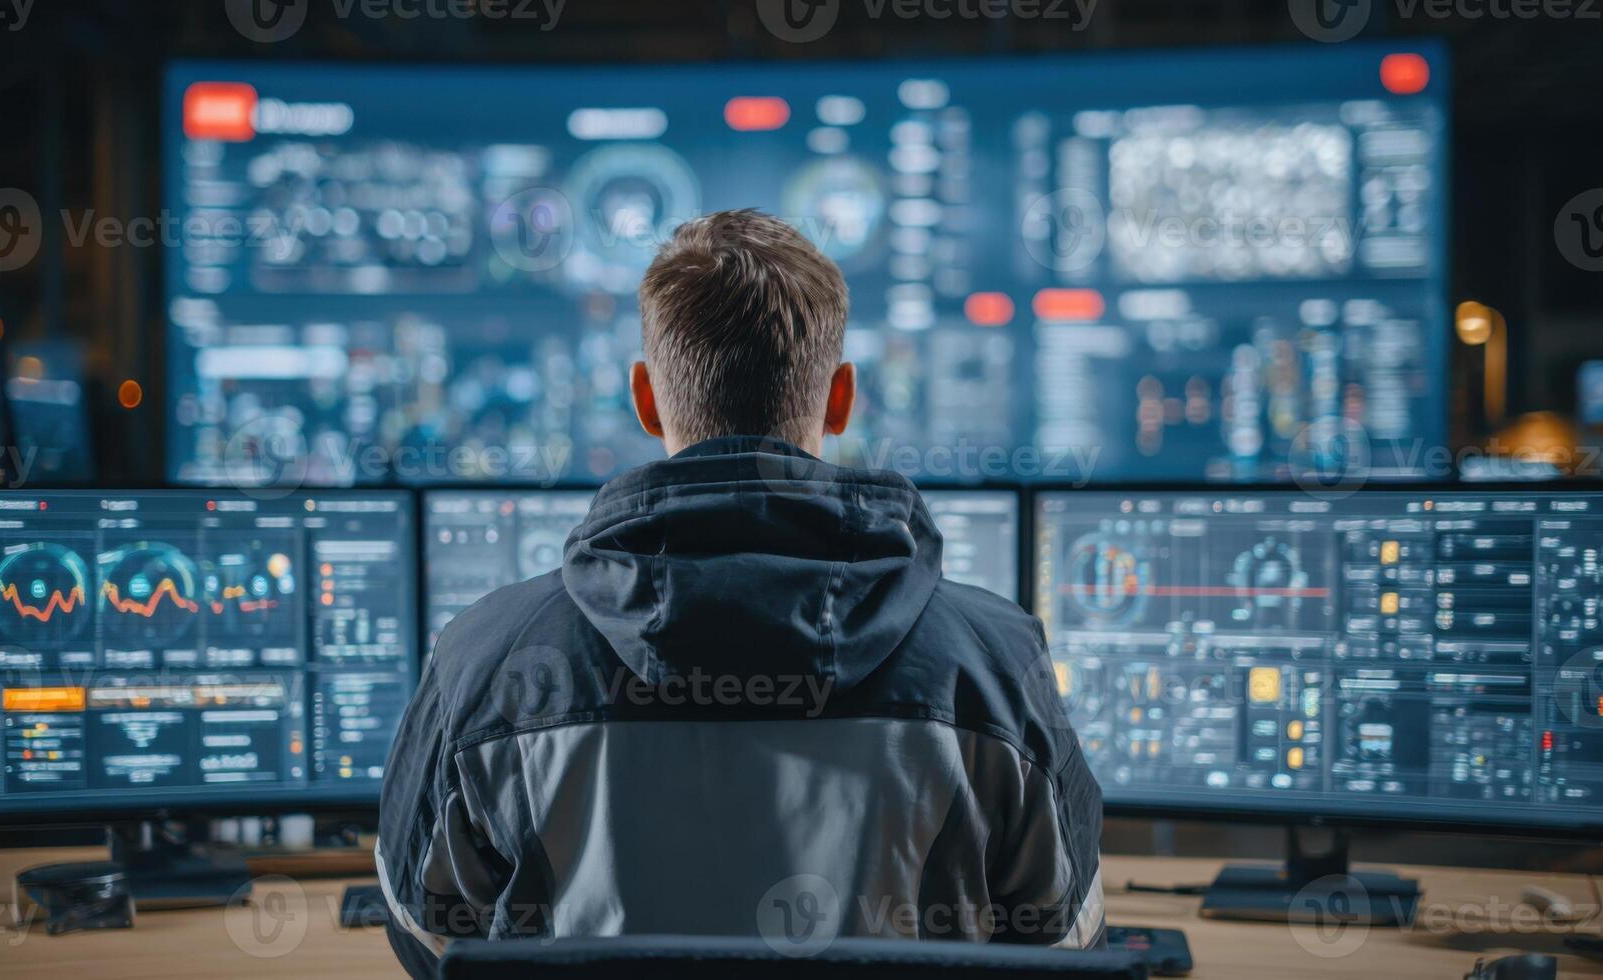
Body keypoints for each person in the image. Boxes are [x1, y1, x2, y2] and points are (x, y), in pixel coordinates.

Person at [377, 209, 1103, 977]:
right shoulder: (995, 663)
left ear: (644, 398)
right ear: (841, 398)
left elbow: (430, 938)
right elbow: (1062, 945)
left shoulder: (484, 660)